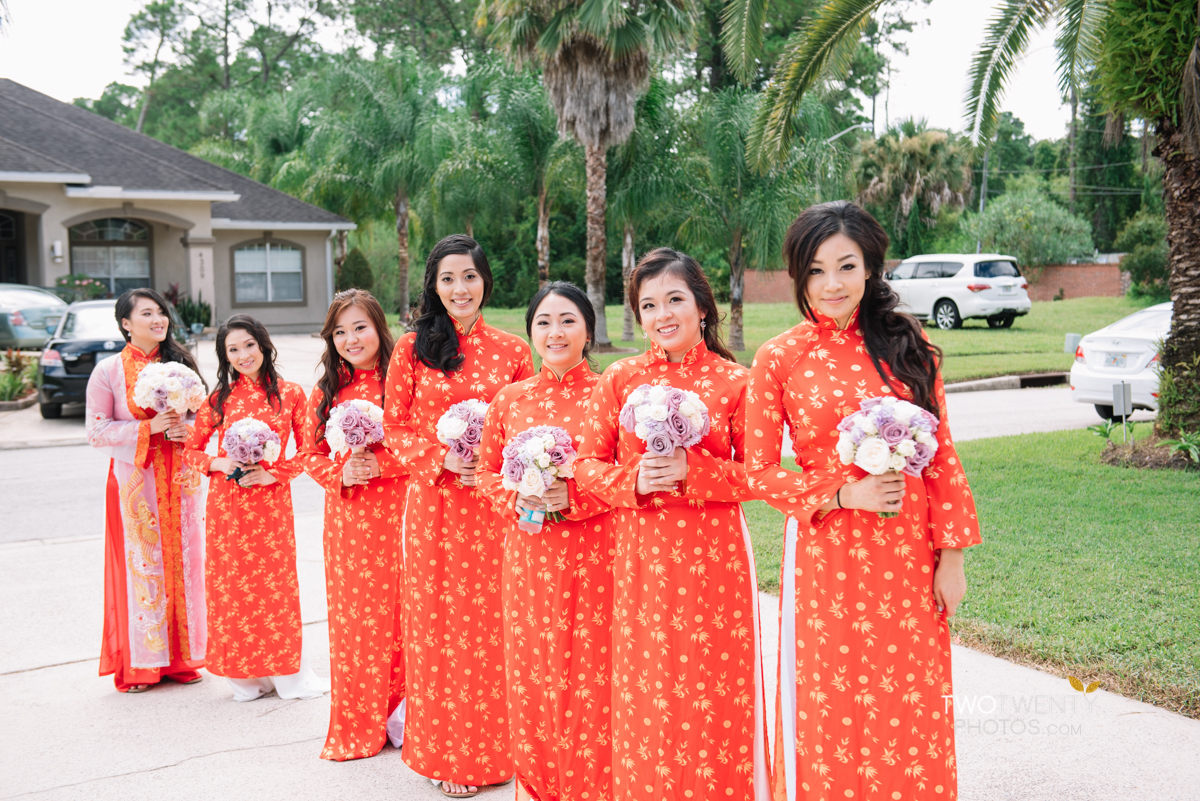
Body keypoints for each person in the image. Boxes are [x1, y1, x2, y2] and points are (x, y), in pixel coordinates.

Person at [744, 200, 981, 800]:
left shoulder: (907, 342)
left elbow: (944, 452)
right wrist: (842, 490)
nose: (832, 284)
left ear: (871, 268)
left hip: (907, 552)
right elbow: (760, 472)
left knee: (910, 692)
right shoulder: (779, 357)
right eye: (816, 270)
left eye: (846, 266)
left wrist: (951, 556)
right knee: (831, 695)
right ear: (799, 276)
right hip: (827, 554)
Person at [575, 248, 770, 801]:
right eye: (649, 304)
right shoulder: (619, 378)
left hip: (715, 559)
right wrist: (632, 482)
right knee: (649, 686)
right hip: (642, 555)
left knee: (712, 687)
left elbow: (758, 477)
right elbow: (587, 465)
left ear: (701, 308)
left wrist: (694, 470)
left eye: (675, 300)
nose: (664, 314)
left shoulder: (738, 381)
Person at [384, 234, 533, 798]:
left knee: (496, 627)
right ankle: (450, 754)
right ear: (434, 284)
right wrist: (440, 458)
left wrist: (496, 469)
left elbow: (526, 426)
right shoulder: (411, 348)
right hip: (437, 509)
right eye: (447, 279)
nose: (459, 289)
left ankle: (504, 749)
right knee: (441, 631)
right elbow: (393, 427)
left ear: (485, 280)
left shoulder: (514, 349)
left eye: (469, 276)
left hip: (494, 510)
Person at [475, 282, 613, 801]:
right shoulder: (511, 399)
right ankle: (538, 785)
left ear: (588, 330)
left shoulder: (608, 391)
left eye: (568, 320)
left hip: (596, 553)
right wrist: (524, 498)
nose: (555, 332)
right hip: (529, 554)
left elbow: (623, 476)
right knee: (534, 670)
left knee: (591, 672)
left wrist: (573, 496)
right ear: (531, 332)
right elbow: (487, 476)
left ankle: (593, 786)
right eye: (544, 322)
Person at [182, 314, 327, 703]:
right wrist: (218, 463)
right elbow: (191, 451)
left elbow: (311, 453)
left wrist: (274, 475)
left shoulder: (291, 393)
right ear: (225, 357)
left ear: (263, 345)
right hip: (227, 508)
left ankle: (286, 674)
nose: (243, 354)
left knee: (274, 587)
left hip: (270, 507)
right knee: (232, 589)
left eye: (249, 345)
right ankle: (247, 678)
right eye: (233, 349)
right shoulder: (219, 400)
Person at [299, 289, 407, 760]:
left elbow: (422, 443)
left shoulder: (405, 379)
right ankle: (363, 718)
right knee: (357, 620)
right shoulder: (327, 390)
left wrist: (383, 466)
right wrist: (339, 472)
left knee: (405, 614)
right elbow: (308, 455)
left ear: (379, 327)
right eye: (339, 332)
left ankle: (405, 715)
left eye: (359, 327)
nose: (350, 339)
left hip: (401, 513)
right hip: (348, 520)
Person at [85, 288, 207, 693]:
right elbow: (96, 431)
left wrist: (184, 429)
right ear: (125, 324)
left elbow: (205, 421)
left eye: (161, 313)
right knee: (143, 565)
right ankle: (140, 665)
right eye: (147, 313)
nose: (159, 320)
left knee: (183, 562)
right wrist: (148, 428)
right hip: (136, 483)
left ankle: (180, 658)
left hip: (180, 480)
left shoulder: (181, 365)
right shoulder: (109, 372)